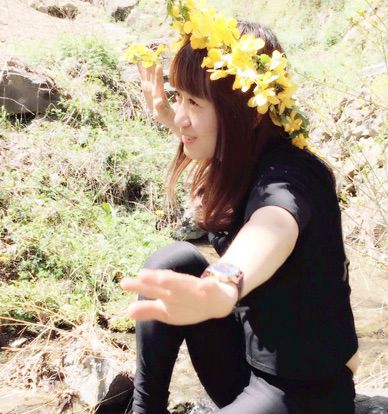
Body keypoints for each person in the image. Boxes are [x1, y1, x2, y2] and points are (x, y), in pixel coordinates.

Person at [121, 3, 359, 413]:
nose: (182, 117)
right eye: (179, 98)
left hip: (304, 392)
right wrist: (166, 113)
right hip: (245, 364)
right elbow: (207, 131)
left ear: (246, 113)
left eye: (195, 103)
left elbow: (274, 224)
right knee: (174, 261)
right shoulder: (241, 151)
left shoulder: (293, 176)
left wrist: (222, 284)